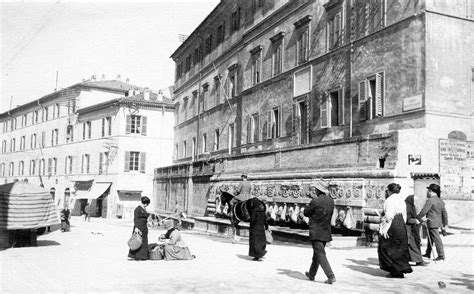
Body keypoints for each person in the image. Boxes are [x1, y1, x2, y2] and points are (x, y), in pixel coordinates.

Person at [304, 181, 336, 284]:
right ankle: (312, 274)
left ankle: (330, 276)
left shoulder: (315, 201)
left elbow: (306, 213)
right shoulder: (331, 201)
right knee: (317, 254)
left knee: (320, 254)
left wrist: (308, 205)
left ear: (318, 190)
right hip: (326, 231)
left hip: (316, 231)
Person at [378, 183, 413, 278]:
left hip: (392, 224)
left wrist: (384, 227)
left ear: (389, 191)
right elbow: (405, 215)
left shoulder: (389, 200)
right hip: (400, 223)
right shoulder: (401, 200)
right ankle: (400, 269)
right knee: (399, 247)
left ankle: (394, 270)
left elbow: (389, 215)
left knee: (386, 247)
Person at [417, 183, 448, 261]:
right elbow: (444, 213)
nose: (428, 192)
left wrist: (417, 217)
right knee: (430, 238)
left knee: (436, 239)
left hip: (431, 222)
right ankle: (428, 253)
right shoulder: (440, 201)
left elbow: (424, 211)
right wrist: (445, 223)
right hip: (438, 222)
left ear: (431, 191)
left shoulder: (430, 200)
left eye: (428, 190)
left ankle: (441, 255)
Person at [405, 195, 426, 266]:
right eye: (415, 201)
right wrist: (414, 220)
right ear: (411, 200)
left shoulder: (412, 206)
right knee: (412, 244)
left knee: (413, 244)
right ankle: (419, 261)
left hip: (412, 228)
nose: (417, 202)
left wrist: (421, 220)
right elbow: (407, 219)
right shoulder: (407, 207)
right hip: (407, 228)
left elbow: (414, 217)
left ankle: (417, 260)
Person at [128, 196, 150, 261]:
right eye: (146, 203)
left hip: (144, 227)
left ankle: (143, 256)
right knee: (137, 241)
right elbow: (135, 219)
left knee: (143, 241)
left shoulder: (144, 209)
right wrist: (136, 227)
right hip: (139, 227)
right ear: (144, 203)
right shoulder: (137, 209)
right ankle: (135, 256)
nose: (147, 205)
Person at [248, 196, 268, 261]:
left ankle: (256, 256)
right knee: (260, 242)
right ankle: (260, 254)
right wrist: (266, 227)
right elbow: (265, 221)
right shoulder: (262, 211)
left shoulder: (254, 211)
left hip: (254, 229)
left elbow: (253, 220)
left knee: (254, 242)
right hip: (261, 229)